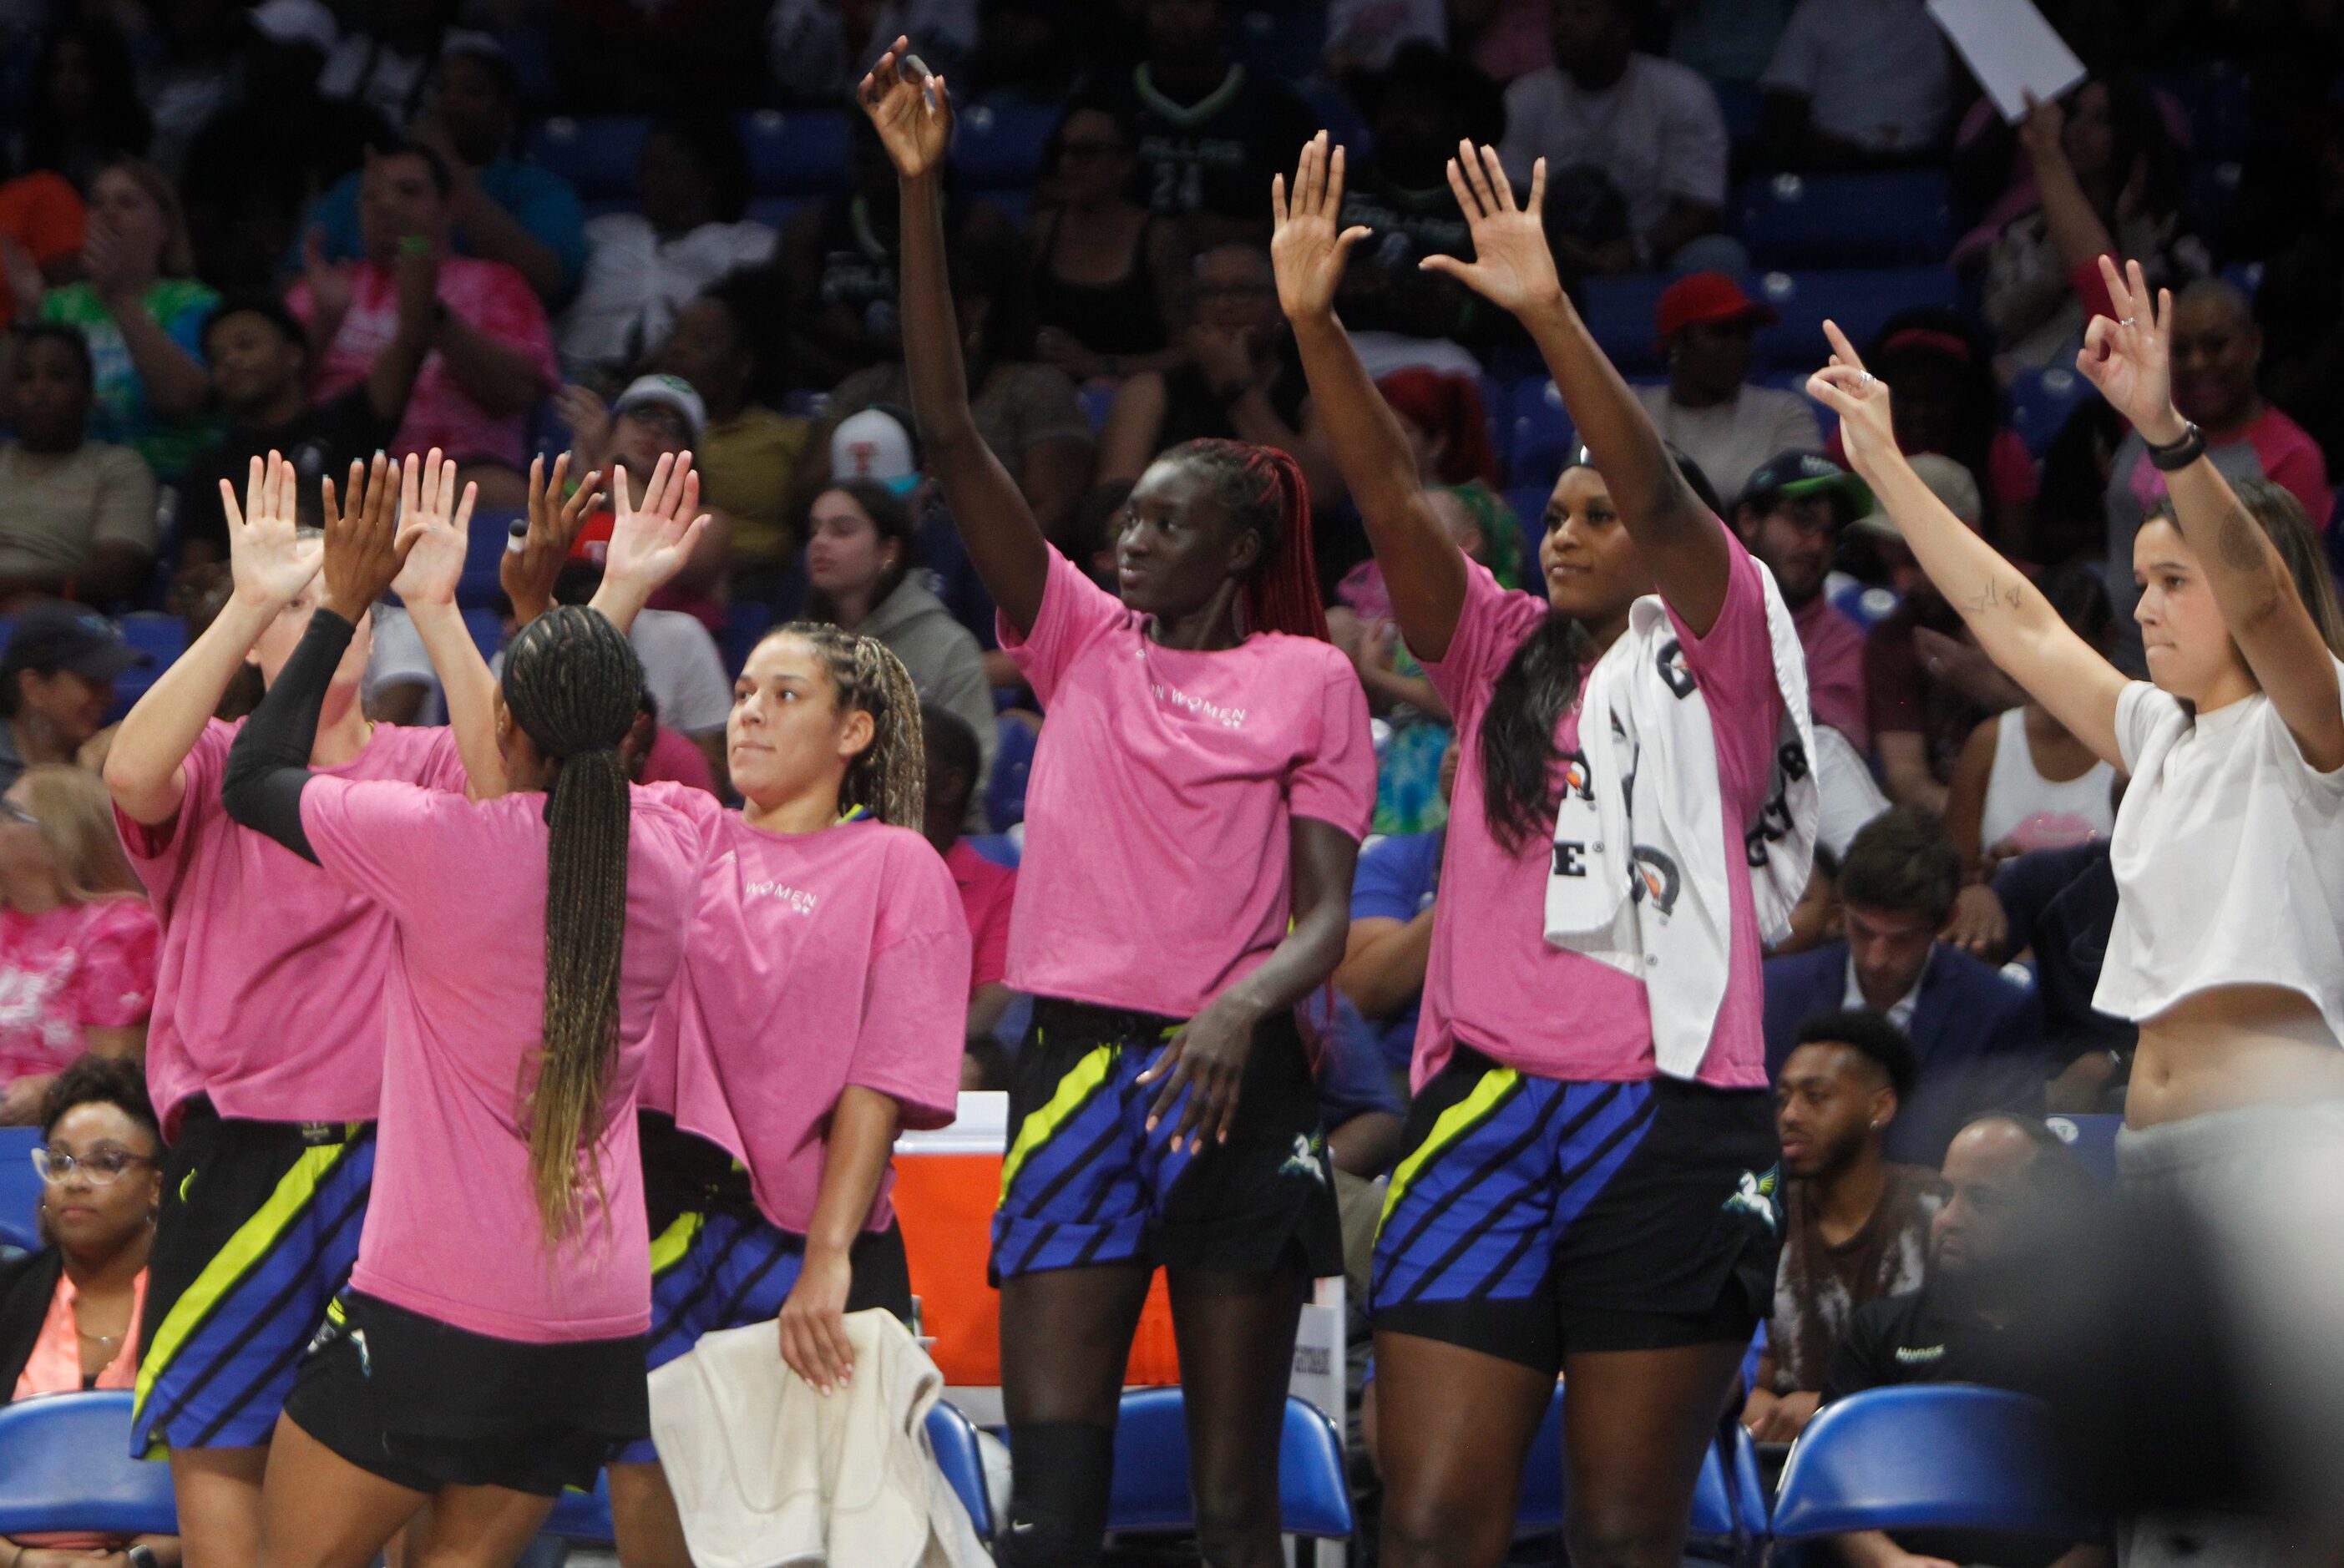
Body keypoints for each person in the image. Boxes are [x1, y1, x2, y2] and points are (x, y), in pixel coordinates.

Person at [1273, 134, 1810, 1568]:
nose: (1565, 536)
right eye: (1551, 515)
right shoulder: (1497, 654)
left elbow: (1660, 504)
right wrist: (1314, 324)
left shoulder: (1729, 649)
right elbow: (1394, 504)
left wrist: (1548, 315)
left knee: (1626, 1532)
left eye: (1593, 518)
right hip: (1484, 1120)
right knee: (1437, 1517)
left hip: (1669, 1118)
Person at [866, 54, 1372, 1567]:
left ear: (1234, 547)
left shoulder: (1307, 676)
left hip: (1244, 1081)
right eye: (1127, 513)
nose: (1128, 535)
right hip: (1081, 1066)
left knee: (1232, 1504)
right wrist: (918, 186)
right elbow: (948, 430)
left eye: (1165, 519)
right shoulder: (1076, 633)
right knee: (1052, 1496)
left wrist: (1239, 1008)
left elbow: (1327, 913)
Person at [1814, 271, 2344, 1567]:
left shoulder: (2310, 726)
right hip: (2146, 1165)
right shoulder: (2151, 733)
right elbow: (2012, 615)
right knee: (2157, 1540)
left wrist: (2167, 440)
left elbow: (2269, 607)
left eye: (2174, 580)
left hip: (2281, 1162)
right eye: (2142, 579)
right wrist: (1883, 465)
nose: (2146, 604)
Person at [210, 449, 705, 1564]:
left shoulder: (444, 844)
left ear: (510, 726)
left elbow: (252, 777)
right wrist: (568, 609)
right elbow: (548, 758)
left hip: (438, 1309)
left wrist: (345, 601)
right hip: (593, 1323)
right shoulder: (674, 840)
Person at [102, 451, 511, 1568]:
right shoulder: (217, 764)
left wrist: (431, 605)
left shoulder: (426, 765)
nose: (337, 615)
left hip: (408, 1176)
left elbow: (515, 795)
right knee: (227, 1492)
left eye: (351, 603)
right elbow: (128, 776)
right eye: (306, 604)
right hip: (236, 1167)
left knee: (409, 1484)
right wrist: (248, 597)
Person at [606, 618, 969, 1566]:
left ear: (853, 733)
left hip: (806, 1249)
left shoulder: (896, 865)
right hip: (662, 1224)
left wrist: (826, 1258)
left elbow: (878, 1081)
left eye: (784, 696)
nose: (750, 716)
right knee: (654, 1511)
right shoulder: (685, 831)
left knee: (848, 1539)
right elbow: (550, 791)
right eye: (741, 696)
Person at [1820, 1115, 2099, 1568]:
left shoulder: (2096, 1341)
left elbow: (2114, 1520)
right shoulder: (1880, 1329)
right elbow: (1828, 1481)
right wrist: (1888, 1562)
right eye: (1948, 1195)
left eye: (1983, 1200)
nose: (1949, 1219)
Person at [1763, 806, 2044, 1167]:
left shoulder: (1998, 1011)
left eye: (1901, 939)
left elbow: (2006, 1166)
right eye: (1862, 931)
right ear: (1841, 910)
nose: (1877, 958)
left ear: (1947, 920)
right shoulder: (1776, 993)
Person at [290, 140, 558, 510]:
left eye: (408, 192)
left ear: (448, 208)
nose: (387, 205)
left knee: (506, 497)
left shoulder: (495, 284)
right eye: (372, 196)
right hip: (336, 477)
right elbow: (267, 403)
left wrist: (431, 316)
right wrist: (326, 322)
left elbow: (518, 390)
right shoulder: (323, 288)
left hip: (457, 477)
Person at [0, 1057, 180, 1568]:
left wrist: (135, 1562)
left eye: (106, 1161)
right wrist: (22, 1562)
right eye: (60, 1161)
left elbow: (247, 1492)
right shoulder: (6, 1297)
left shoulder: (201, 1312)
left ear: (157, 1187)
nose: (75, 1181)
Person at [815, 222, 1099, 541]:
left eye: (917, 302)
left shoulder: (1036, 390)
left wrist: (977, 582)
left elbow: (1055, 510)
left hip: (992, 578)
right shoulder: (865, 389)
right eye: (901, 300)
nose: (901, 314)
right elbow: (807, 495)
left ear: (976, 310)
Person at [2103, 281, 2331, 666]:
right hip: (2119, 650)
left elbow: (2280, 602)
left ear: (2253, 344)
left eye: (2215, 345)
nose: (2196, 363)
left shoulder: (2293, 457)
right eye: (2181, 350)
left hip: (2213, 673)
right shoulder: (2149, 412)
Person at [1743, 1010, 1941, 1444]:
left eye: (1816, 1097)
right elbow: (1728, 1379)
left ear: (1880, 1107)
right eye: (1783, 1098)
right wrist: (1771, 1409)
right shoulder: (1755, 1212)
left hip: (1910, 1452)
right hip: (1773, 1460)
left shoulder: (1939, 1211)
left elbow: (1955, 1373)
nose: (1790, 1114)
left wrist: (1827, 1410)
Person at [296, 37, 588, 307]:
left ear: (505, 111)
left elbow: (546, 282)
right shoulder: (362, 185)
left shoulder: (539, 189)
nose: (449, 100)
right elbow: (294, 278)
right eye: (439, 89)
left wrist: (447, 166)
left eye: (471, 91)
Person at [176, 291, 431, 577]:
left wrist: (414, 247)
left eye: (245, 345)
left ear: (293, 355)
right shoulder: (210, 467)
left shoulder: (350, 421)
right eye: (216, 357)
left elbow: (412, 337)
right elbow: (197, 574)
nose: (231, 361)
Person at [1975, 80, 2200, 373]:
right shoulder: (2028, 231)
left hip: (2136, 374)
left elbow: (2179, 317)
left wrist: (2127, 232)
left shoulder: (2170, 232)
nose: (2078, 130)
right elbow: (2001, 317)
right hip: (2036, 373)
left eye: (2099, 121)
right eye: (2075, 116)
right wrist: (2063, 246)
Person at [1496, 0, 1735, 276]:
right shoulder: (1524, 97)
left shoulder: (1680, 92)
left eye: (1582, 11)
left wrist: (1638, 249)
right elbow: (1509, 196)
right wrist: (1554, 243)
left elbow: (1700, 209)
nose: (1564, 25)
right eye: (1558, 13)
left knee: (1720, 255)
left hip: (1652, 253)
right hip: (1547, 253)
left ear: (1621, 28)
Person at [805, 479, 998, 822]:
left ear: (889, 551)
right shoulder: (797, 646)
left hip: (929, 842)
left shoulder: (948, 647)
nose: (820, 542)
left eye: (842, 531)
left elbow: (973, 778)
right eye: (815, 529)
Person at [1099, 242, 1341, 513]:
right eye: (1210, 293)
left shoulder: (1317, 394)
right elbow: (1113, 501)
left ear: (1281, 306)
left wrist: (1237, 387)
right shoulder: (1151, 390)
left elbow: (1317, 495)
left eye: (1242, 292)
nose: (1224, 305)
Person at [18, 159, 216, 483]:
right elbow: (12, 410)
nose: (107, 213)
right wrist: (26, 316)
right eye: (96, 203)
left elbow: (182, 400)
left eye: (127, 203)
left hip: (166, 478)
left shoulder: (194, 303)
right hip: (67, 478)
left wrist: (119, 297)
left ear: (164, 227)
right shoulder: (58, 304)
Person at [179, 0, 390, 295]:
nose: (253, 58)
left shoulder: (359, 131)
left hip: (338, 290)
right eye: (252, 46)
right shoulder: (220, 136)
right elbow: (194, 229)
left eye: (272, 48)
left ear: (314, 59)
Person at [560, 110, 777, 375]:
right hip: (579, 378)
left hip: (687, 384)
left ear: (710, 174)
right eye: (643, 170)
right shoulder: (603, 231)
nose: (646, 181)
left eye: (664, 168)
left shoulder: (751, 244)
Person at [1088, 0, 1319, 248]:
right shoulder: (1103, 100)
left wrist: (1243, 233)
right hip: (1118, 263)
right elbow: (1056, 192)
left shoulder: (1276, 108)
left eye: (1192, 3)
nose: (1175, 11)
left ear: (1222, 15)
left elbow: (1315, 209)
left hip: (1242, 272)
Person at [0, 764, 156, 1122]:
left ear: (62, 840)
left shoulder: (118, 928)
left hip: (62, 1135)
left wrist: (51, 1090)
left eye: (11, 813)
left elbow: (119, 1072)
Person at [1861, 455, 2013, 814]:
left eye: (1914, 563)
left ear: (1968, 535)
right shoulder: (1894, 638)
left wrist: (1992, 691)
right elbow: (1906, 777)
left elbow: (2084, 746)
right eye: (1891, 565)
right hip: (1956, 827)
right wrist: (1977, 827)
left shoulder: (2039, 608)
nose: (1901, 584)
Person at [1332, 43, 1506, 356]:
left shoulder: (1498, 207)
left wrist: (1462, 310)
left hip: (1448, 359)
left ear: (1455, 122)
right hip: (1342, 350)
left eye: (1419, 110)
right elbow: (1288, 274)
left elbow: (1550, 305)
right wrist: (1334, 284)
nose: (1401, 121)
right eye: (1391, 108)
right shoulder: (1334, 190)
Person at [1945, 565, 2119, 876]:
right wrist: (1988, 877)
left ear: (2108, 639)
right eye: (2035, 652)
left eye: (2069, 653)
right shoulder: (1989, 744)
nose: (2051, 670)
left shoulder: (2139, 741)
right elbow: (1955, 880)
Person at [1826, 311, 2036, 557]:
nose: (1920, 413)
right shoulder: (1850, 443)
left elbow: (2016, 553)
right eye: (1905, 398)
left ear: (1964, 397)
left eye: (1937, 398)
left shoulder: (2001, 451)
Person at [650, 273, 812, 588]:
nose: (679, 349)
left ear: (743, 364)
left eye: (701, 342)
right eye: (675, 336)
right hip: (662, 577)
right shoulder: (645, 433)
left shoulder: (785, 436)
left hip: (757, 585)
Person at [1028, 100, 1189, 383]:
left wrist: (1101, 366)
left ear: (1125, 164)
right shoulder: (1039, 233)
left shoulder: (1159, 240)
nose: (1068, 163)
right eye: (1061, 151)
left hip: (1136, 396)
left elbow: (1187, 352)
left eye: (1085, 153)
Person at [0, 326, 158, 609]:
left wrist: (20, 589)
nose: (40, 389)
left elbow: (119, 574)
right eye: (26, 378)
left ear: (87, 394)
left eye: (58, 376)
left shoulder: (119, 467)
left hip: (63, 618)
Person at [1640, 276, 1824, 506]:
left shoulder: (1784, 413)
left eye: (1744, 334)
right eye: (1720, 332)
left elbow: (1802, 515)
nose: (1738, 346)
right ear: (1676, 342)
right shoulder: (1629, 409)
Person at [1730, 450, 1871, 749]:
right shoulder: (1696, 609)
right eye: (1804, 520)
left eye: (1832, 533)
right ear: (1749, 520)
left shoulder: (1842, 643)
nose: (1818, 545)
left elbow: (1825, 752)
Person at [1754, 0, 1954, 170]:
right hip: (1835, 172)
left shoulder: (1950, 15)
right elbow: (1784, 108)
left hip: (1923, 171)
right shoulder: (1821, 9)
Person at [922, 702, 1016, 1044]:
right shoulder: (854, 871)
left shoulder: (1002, 891)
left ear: (950, 785)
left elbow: (986, 1015)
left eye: (899, 762)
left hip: (935, 1068)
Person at [0, 604, 145, 792]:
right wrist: (85, 780)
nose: (110, 697)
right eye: (93, 680)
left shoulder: (110, 762)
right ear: (33, 687)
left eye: (109, 681)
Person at [16, 19, 154, 195]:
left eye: (80, 69)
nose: (66, 81)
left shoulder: (139, 150)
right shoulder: (32, 148)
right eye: (57, 69)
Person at [767, 0, 978, 104]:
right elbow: (792, 76)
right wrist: (826, 10)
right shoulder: (807, 6)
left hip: (922, 116)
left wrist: (906, 10)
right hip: (824, 122)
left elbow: (957, 65)